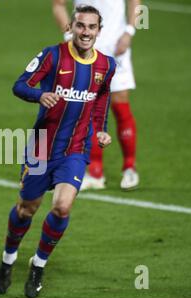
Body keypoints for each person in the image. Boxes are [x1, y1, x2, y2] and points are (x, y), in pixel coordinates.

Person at [0, 5, 115, 298]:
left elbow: (102, 97)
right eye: (81, 26)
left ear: (99, 31)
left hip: (76, 149)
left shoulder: (107, 65)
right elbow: (19, 85)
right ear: (71, 27)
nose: (86, 32)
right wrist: (40, 94)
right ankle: (7, 260)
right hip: (41, 148)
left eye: (91, 27)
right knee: (27, 209)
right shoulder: (52, 55)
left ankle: (38, 265)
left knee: (62, 207)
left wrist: (100, 127)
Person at [52, 0, 140, 191]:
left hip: (117, 47)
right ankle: (95, 172)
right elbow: (58, 5)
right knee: (88, 106)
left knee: (120, 104)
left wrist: (129, 32)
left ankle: (129, 168)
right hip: (85, 49)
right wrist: (69, 35)